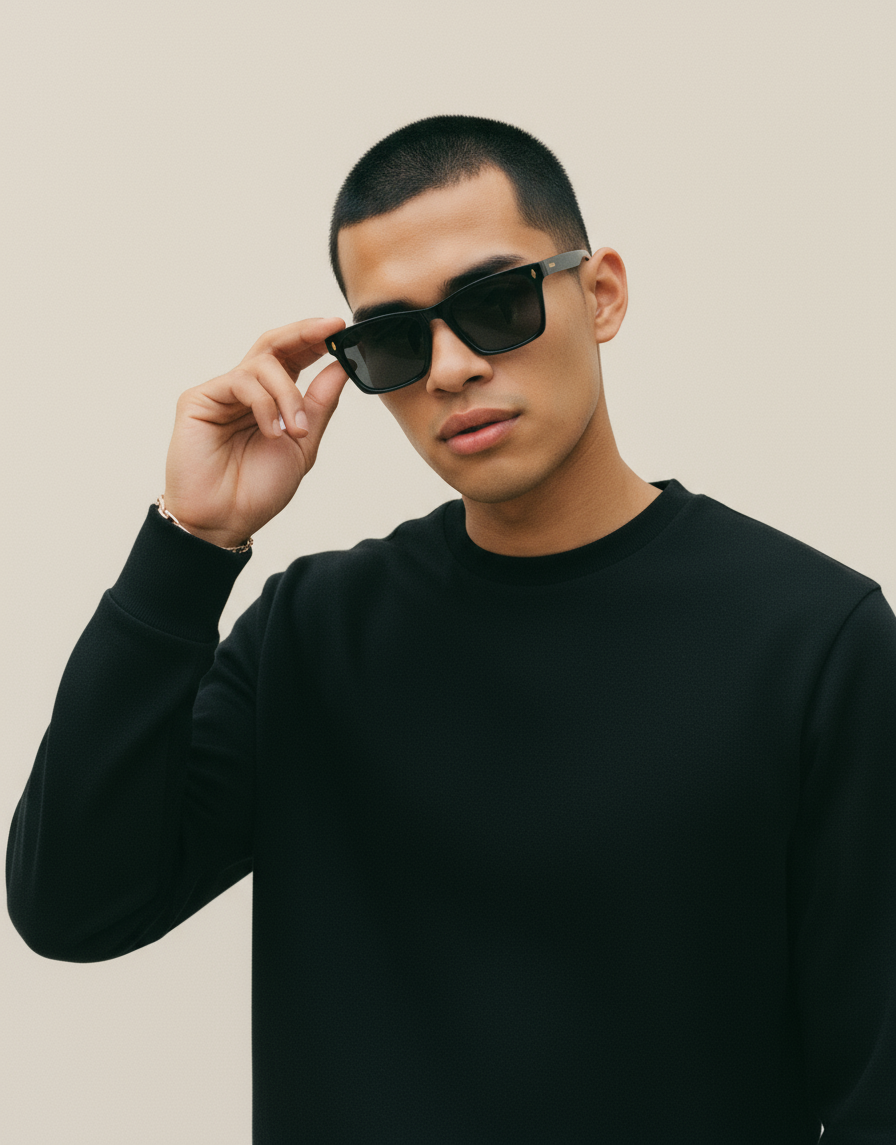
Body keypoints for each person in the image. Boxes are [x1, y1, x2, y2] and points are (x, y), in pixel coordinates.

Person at [6, 115, 895, 1144]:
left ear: (600, 294)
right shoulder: (312, 634)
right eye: (394, 339)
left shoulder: (813, 641)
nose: (450, 367)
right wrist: (191, 543)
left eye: (495, 303)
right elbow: (75, 906)